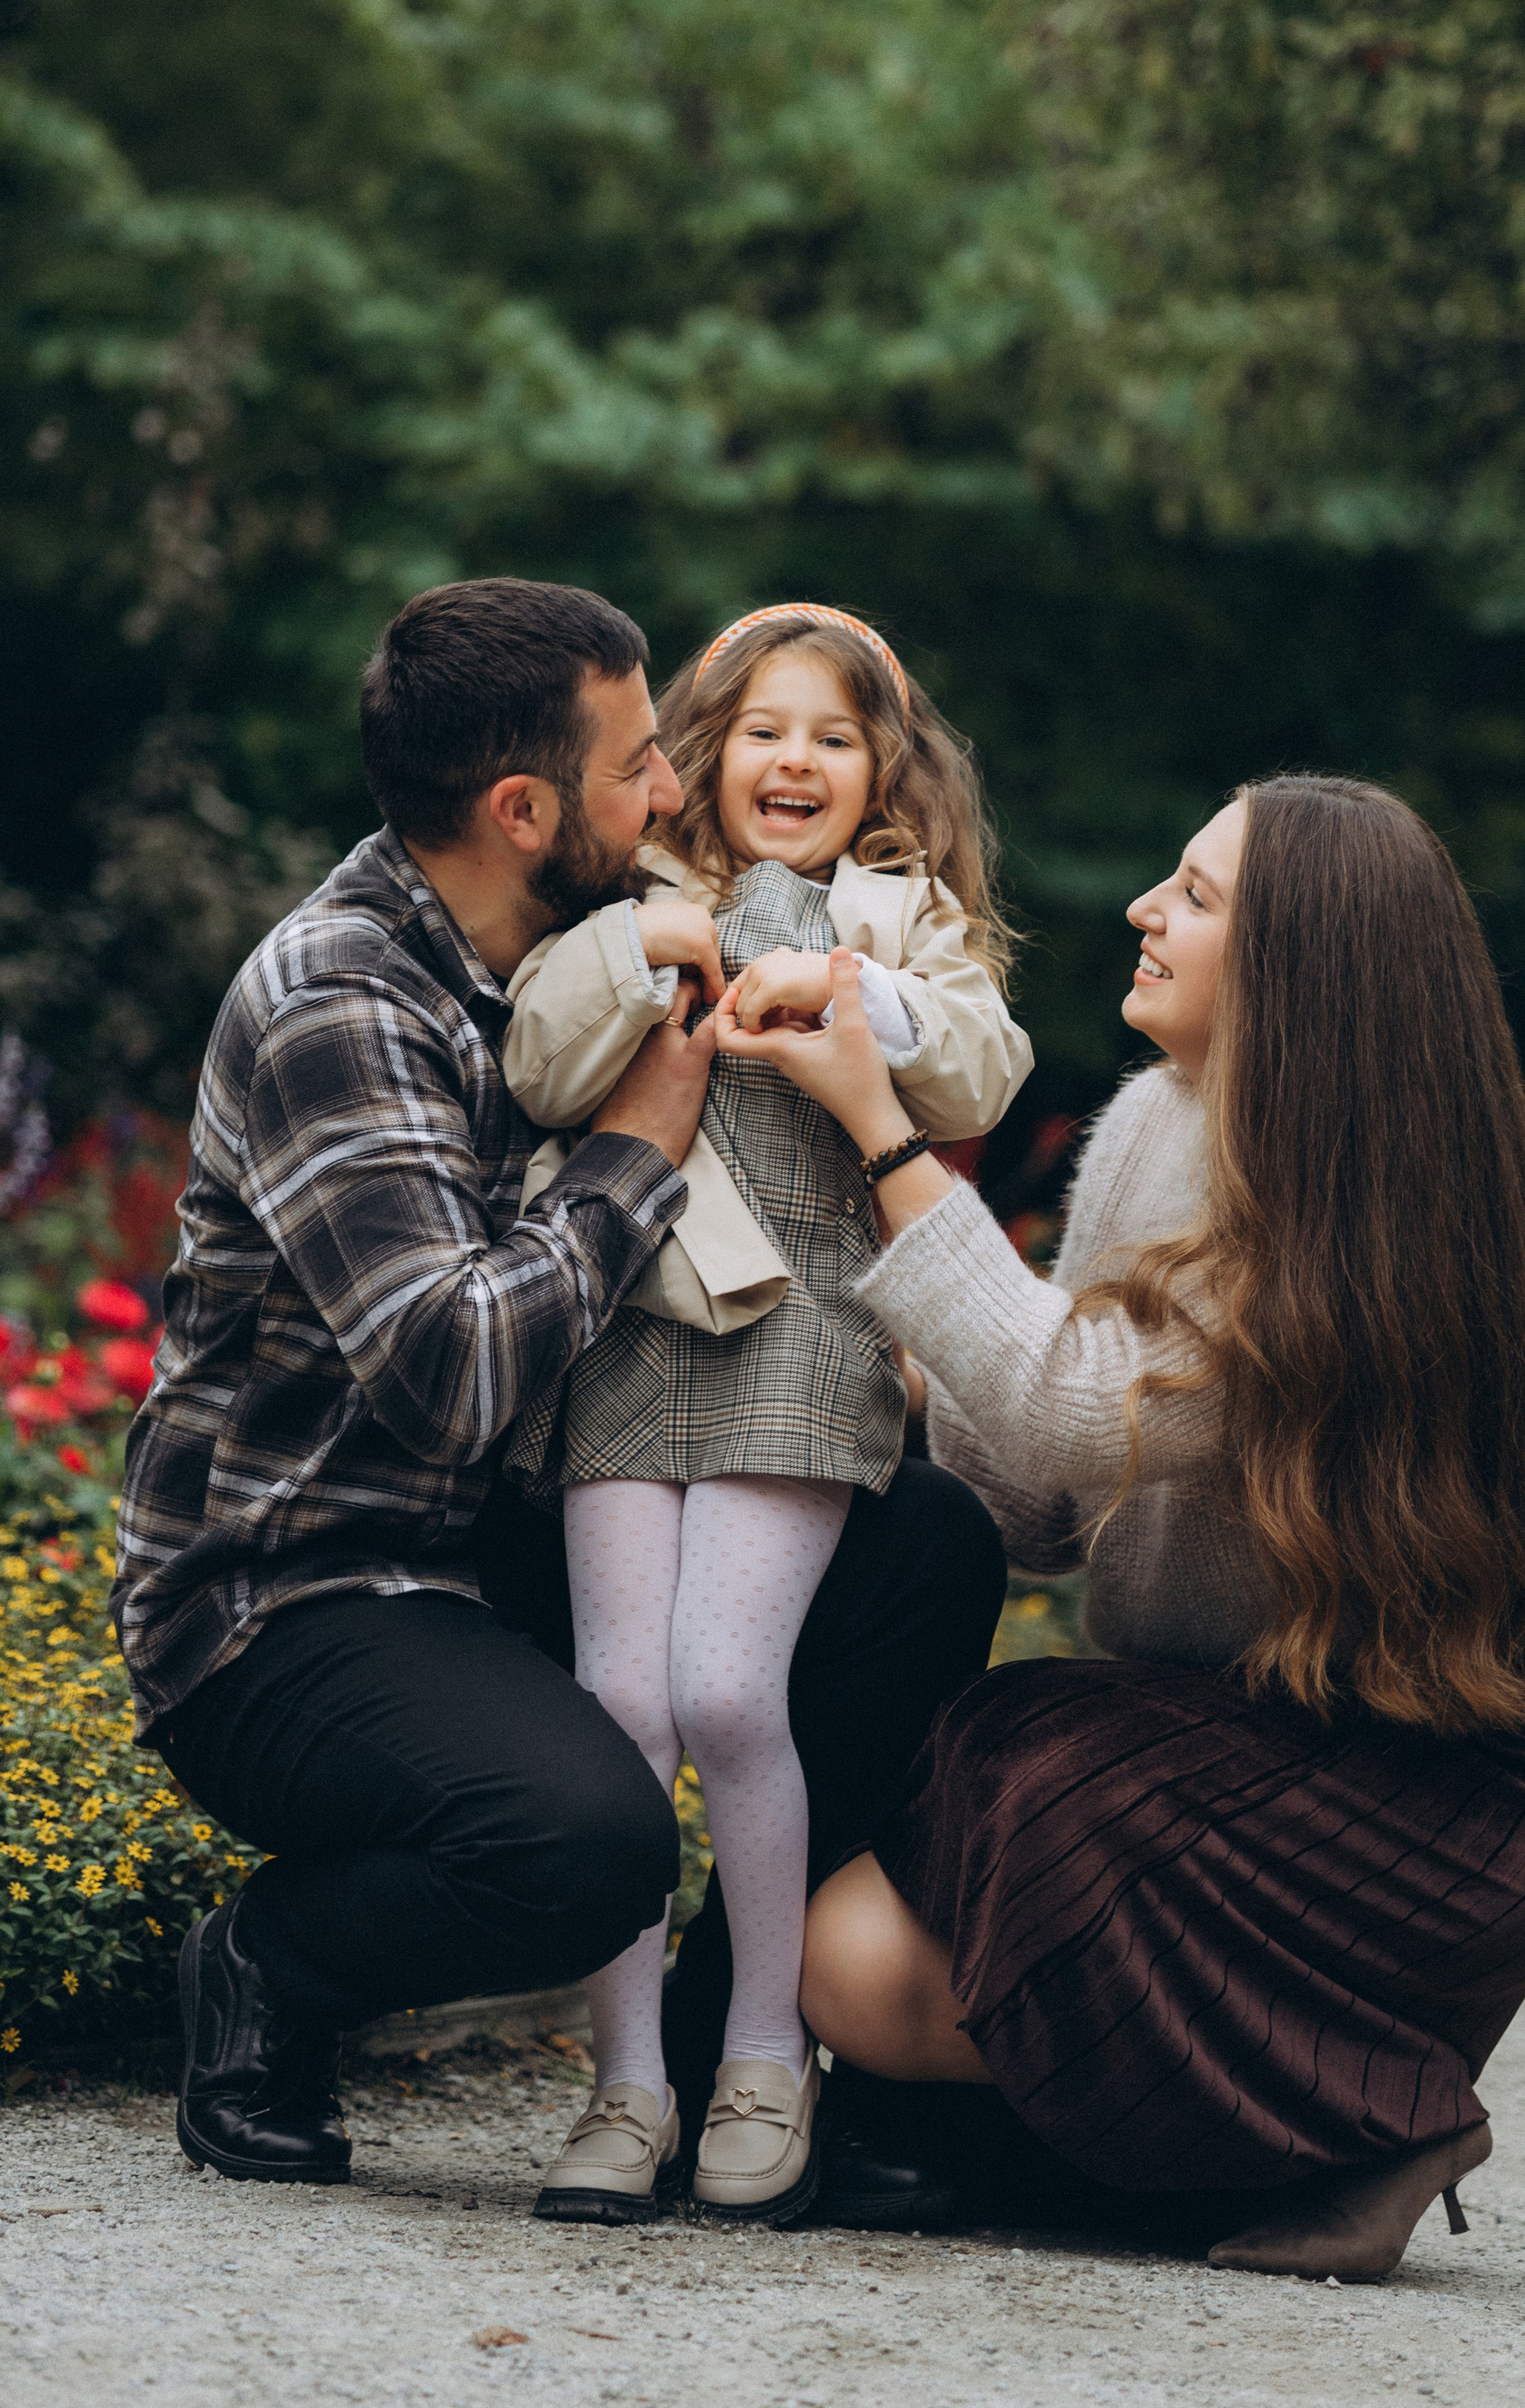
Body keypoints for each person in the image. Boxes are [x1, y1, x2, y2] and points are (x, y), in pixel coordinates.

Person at [111, 578, 1005, 2204]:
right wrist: (639, 1146)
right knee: (585, 1835)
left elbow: (952, 1052)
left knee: (926, 1549)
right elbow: (452, 1375)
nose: (673, 787)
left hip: (489, 1530)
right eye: (636, 765)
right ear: (525, 811)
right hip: (299, 1595)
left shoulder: (561, 937)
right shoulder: (341, 998)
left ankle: (737, 2050)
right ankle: (270, 1961)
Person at [720, 775, 1525, 2281]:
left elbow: (1073, 1406)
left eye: (1195, 897)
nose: (1144, 910)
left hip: (1419, 1802)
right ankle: (1271, 2141)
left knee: (978, 1830)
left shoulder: (1346, 1209)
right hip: (1211, 1743)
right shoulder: (1150, 1120)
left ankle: (1378, 2114)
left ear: (1294, 971)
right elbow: (1036, 1495)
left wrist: (883, 1131)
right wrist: (864, 1374)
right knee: (876, 1942)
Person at [500, 603, 1030, 2227]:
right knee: (622, 1709)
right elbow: (538, 1063)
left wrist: (850, 986)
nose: (795, 760)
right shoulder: (625, 896)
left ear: (881, 770)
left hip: (802, 1325)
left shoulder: (902, 913)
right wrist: (650, 945)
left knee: (729, 1692)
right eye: (763, 730)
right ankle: (625, 2081)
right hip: (626, 1327)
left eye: (833, 736)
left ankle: (758, 2052)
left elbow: (982, 1065)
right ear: (705, 750)